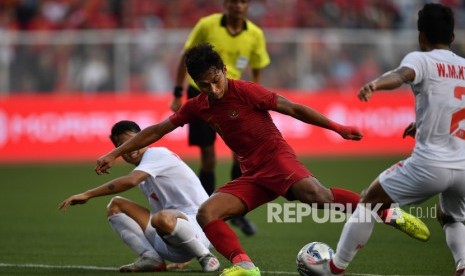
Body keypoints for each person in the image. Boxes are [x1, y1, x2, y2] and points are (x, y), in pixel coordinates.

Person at [95, 44, 430, 276]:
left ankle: (387, 212)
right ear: (196, 84)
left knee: (320, 198)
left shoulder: (247, 91)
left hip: (276, 159)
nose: (212, 89)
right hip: (252, 173)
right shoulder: (198, 105)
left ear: (224, 71)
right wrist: (116, 152)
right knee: (208, 212)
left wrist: (337, 127)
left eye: (216, 80)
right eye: (204, 85)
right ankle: (244, 265)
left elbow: (294, 108)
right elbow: (155, 130)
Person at [327, 3, 465, 275]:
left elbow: (402, 75)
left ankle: (333, 268)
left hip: (429, 165)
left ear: (421, 35)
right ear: (452, 37)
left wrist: (375, 84)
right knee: (450, 216)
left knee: (368, 202)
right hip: (463, 167)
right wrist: (424, 123)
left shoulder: (421, 59)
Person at [59, 120, 220, 273]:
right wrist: (182, 250)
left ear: (143, 138)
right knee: (116, 205)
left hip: (200, 227)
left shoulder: (157, 154)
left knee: (161, 218)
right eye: (121, 146)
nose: (130, 148)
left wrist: (88, 194)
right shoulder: (144, 174)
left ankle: (206, 257)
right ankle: (151, 257)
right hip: (173, 239)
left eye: (133, 141)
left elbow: (131, 181)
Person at [170, 0, 270, 236]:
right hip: (202, 94)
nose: (238, 6)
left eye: (243, 2)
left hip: (234, 96)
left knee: (241, 156)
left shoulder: (255, 34)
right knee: (208, 158)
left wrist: (255, 96)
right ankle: (203, 211)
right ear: (226, 4)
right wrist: (177, 92)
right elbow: (187, 56)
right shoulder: (207, 25)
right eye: (234, 1)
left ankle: (236, 213)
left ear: (248, 6)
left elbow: (257, 68)